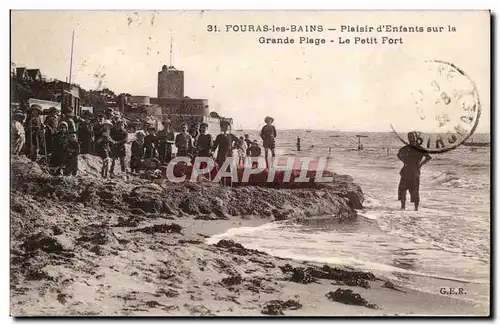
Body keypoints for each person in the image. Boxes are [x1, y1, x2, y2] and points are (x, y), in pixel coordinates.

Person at [397, 131, 432, 211]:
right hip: (406, 171)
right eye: (409, 137)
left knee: (415, 191)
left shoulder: (420, 148)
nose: (411, 139)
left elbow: (428, 157)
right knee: (402, 190)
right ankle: (403, 207)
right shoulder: (406, 148)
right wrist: (404, 161)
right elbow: (398, 155)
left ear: (416, 138)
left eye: (413, 137)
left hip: (415, 172)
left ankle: (416, 209)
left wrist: (420, 165)